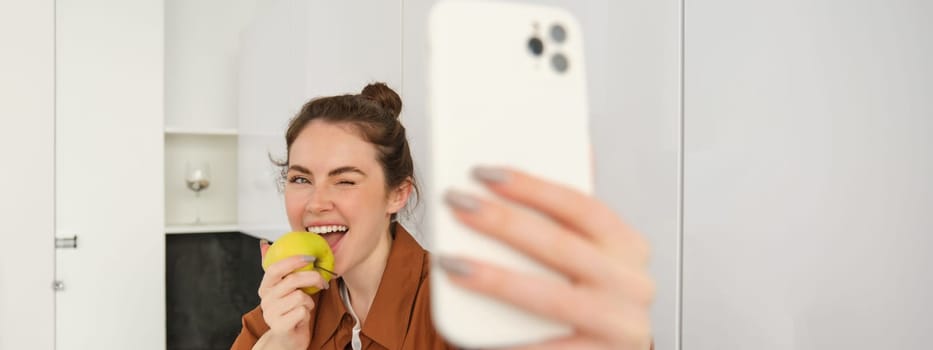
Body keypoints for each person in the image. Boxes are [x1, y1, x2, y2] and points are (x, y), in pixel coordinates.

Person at [231, 83, 655, 350]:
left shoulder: (465, 307)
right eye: (301, 179)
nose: (315, 202)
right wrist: (280, 342)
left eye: (345, 181)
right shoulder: (282, 311)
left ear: (398, 194)